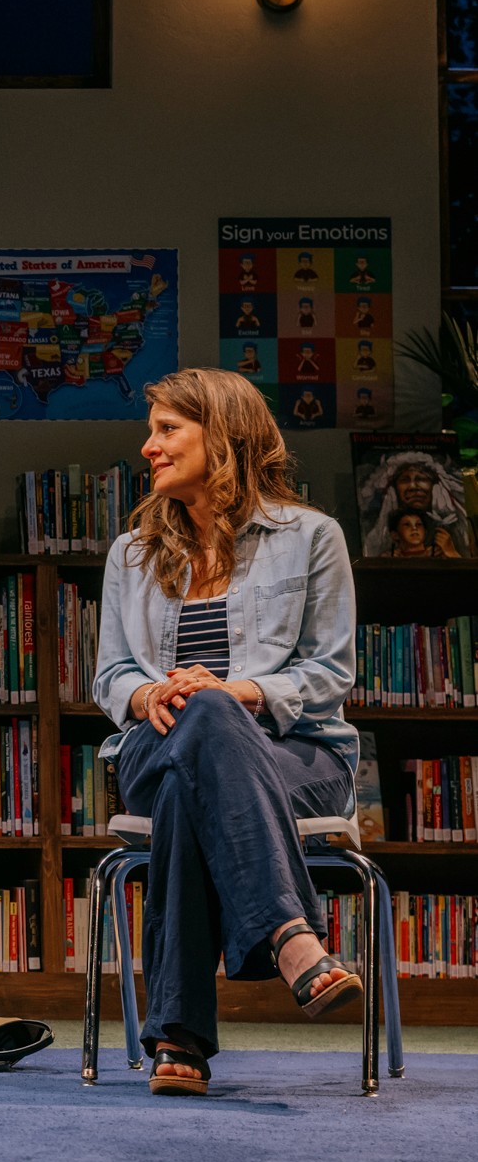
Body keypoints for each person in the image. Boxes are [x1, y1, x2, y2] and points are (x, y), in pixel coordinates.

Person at [92, 368, 362, 1098]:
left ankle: (178, 1035)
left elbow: (331, 672)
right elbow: (110, 675)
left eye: (167, 430)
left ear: (223, 435)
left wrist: (235, 691)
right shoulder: (131, 554)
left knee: (197, 773)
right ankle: (292, 937)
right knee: (200, 726)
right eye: (151, 431)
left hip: (297, 754)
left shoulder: (312, 538)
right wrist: (149, 691)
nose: (148, 447)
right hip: (157, 743)